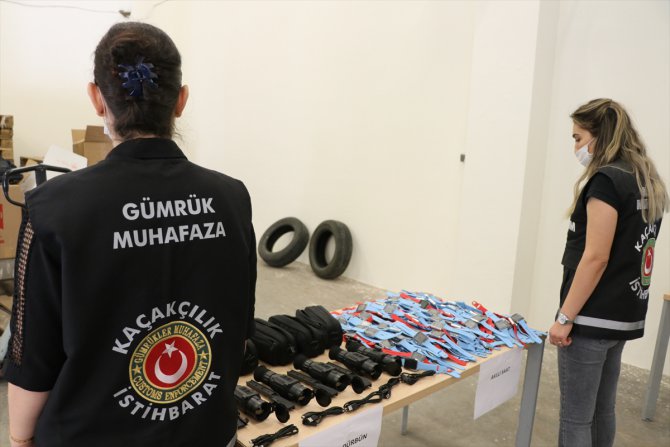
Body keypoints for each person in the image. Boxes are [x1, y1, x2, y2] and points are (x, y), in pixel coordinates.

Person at [5, 22, 256, 447]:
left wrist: (19, 438)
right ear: (181, 101)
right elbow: (239, 330)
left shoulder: (52, 209)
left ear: (96, 98)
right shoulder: (232, 197)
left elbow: (32, 360)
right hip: (206, 431)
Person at [549, 98, 668, 446]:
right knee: (602, 410)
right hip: (622, 315)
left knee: (575, 418)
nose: (576, 147)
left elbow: (596, 257)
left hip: (590, 318)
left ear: (599, 135)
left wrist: (564, 316)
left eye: (578, 137)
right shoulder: (645, 179)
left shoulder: (606, 181)